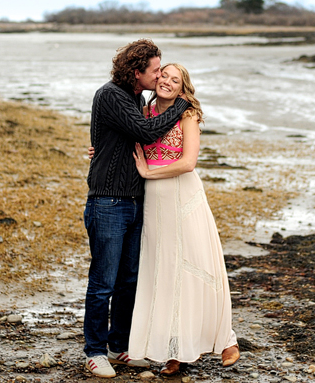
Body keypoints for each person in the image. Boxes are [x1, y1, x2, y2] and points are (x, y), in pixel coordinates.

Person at [83, 40, 190, 379]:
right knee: (104, 282)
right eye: (156, 70)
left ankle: (119, 347)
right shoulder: (111, 94)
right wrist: (182, 103)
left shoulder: (137, 99)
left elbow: (140, 138)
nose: (160, 76)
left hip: (134, 200)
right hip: (107, 202)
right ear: (136, 72)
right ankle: (95, 351)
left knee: (129, 279)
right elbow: (145, 130)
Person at [129, 63, 240, 376]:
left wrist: (150, 172)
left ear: (182, 88)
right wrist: (101, 150)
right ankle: (176, 350)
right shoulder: (144, 113)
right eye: (163, 75)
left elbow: (188, 162)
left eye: (175, 80)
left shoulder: (187, 114)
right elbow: (128, 145)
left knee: (197, 265)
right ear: (155, 79)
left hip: (184, 196)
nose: (166, 81)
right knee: (164, 272)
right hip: (155, 202)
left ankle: (226, 339)